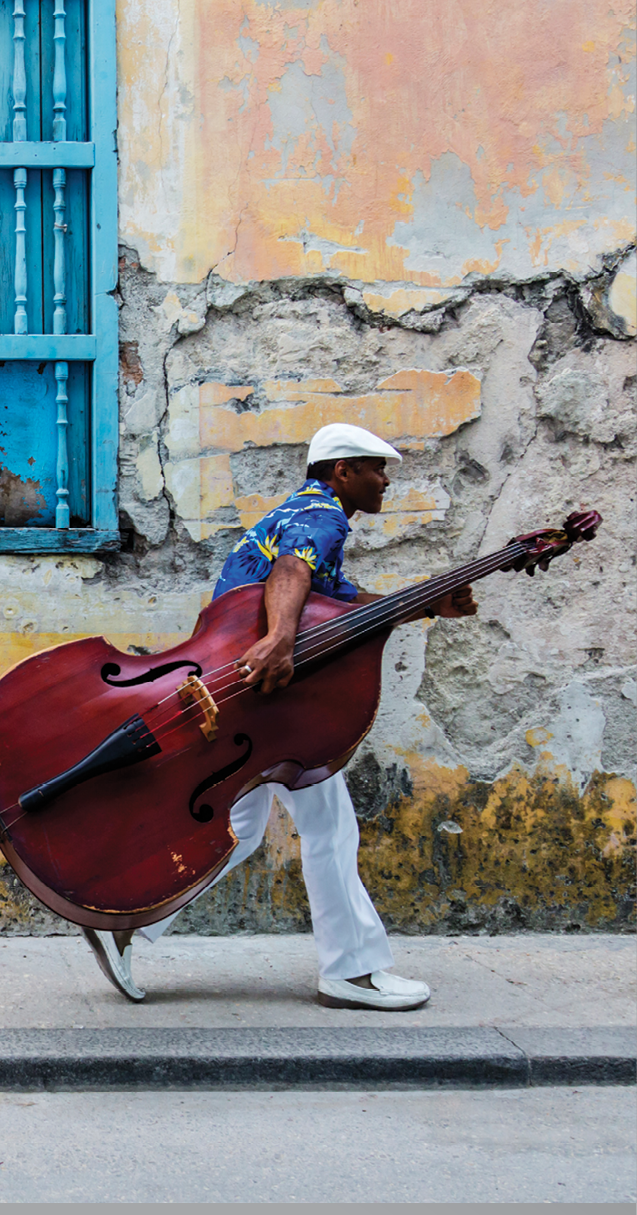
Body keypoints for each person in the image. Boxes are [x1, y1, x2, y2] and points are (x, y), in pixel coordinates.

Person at [81, 422, 477, 1007]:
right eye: (375, 468)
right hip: (273, 706)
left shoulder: (300, 515)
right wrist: (281, 643)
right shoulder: (322, 516)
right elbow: (292, 572)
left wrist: (427, 606)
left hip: (246, 702)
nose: (385, 480)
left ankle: (128, 922)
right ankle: (353, 971)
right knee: (330, 829)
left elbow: (337, 607)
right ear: (342, 472)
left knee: (238, 831)